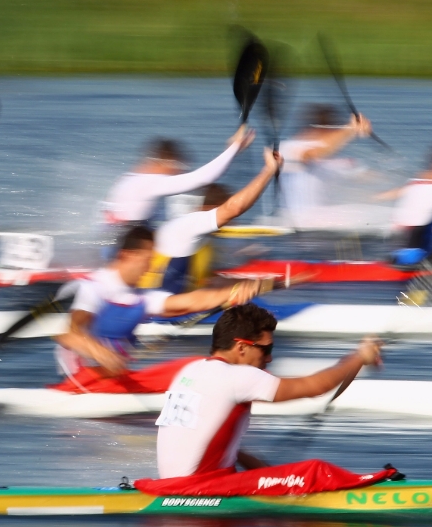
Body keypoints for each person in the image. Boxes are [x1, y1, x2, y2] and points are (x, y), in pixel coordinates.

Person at [155, 303, 382, 478]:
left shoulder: (189, 370)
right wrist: (360, 357)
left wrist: (264, 472)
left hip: (168, 485)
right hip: (198, 487)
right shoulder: (237, 376)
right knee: (314, 470)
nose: (270, 358)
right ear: (241, 347)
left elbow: (198, 442)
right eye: (266, 349)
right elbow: (316, 387)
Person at [54, 226, 261, 378]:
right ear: (127, 255)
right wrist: (101, 353)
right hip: (82, 379)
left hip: (115, 379)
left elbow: (191, 302)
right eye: (147, 260)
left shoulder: (141, 297)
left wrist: (234, 291)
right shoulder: (94, 287)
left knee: (195, 366)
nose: (151, 267)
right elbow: (69, 334)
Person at [139, 148, 283, 293]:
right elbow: (235, 208)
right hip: (152, 302)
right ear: (209, 208)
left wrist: (273, 284)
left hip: (179, 299)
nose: (232, 222)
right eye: (227, 218)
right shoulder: (186, 226)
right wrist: (268, 170)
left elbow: (209, 280)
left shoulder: (205, 242)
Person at [101, 126, 255, 227]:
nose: (179, 173)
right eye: (178, 167)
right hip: (119, 248)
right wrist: (233, 149)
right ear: (166, 162)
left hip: (113, 242)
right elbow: (203, 178)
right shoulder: (148, 182)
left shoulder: (130, 178)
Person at [279, 105, 372, 229]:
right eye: (332, 131)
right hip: (301, 220)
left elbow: (369, 177)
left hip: (322, 220)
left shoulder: (332, 160)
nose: (334, 136)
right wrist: (350, 130)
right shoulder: (289, 148)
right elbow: (313, 154)